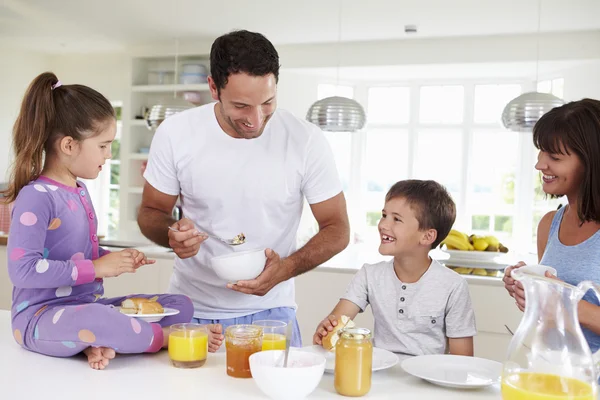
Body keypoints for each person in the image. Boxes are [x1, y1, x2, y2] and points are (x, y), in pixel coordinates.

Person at [138, 30, 350, 347]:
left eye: (267, 103)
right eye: (241, 106)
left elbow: (338, 229)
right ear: (213, 87)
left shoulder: (305, 139)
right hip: (191, 312)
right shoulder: (176, 133)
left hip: (272, 314)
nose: (256, 119)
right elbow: (150, 212)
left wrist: (286, 268)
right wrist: (172, 234)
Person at [4, 72, 199, 370]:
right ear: (69, 145)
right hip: (38, 318)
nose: (109, 155)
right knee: (98, 319)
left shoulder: (79, 190)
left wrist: (115, 259)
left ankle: (94, 342)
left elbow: (81, 255)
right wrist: (96, 268)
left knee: (179, 305)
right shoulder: (36, 196)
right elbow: (23, 271)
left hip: (85, 307)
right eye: (103, 145)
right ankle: (160, 339)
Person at [313, 180, 476, 356]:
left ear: (427, 236)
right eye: (384, 215)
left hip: (428, 374)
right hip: (379, 371)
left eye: (396, 219)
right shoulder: (369, 275)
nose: (383, 225)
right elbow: (338, 321)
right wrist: (326, 330)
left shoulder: (453, 286)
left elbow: (462, 360)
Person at [503, 99, 600, 352]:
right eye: (541, 152)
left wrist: (562, 303)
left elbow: (561, 308)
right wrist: (529, 291)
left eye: (554, 157)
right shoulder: (549, 224)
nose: (540, 165)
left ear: (591, 162)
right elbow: (550, 318)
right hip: (553, 368)